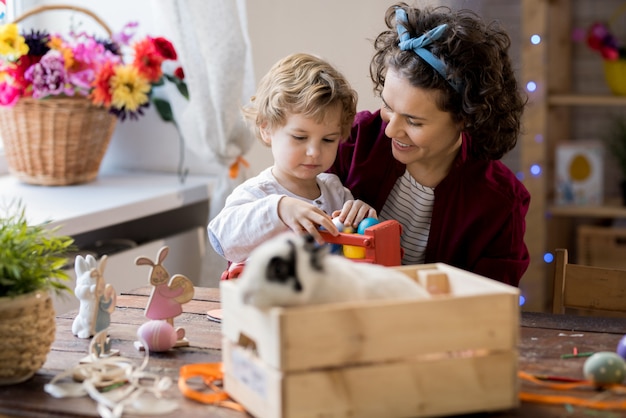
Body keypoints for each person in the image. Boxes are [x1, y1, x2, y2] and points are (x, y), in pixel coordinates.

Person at [329, 3, 530, 287]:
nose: (391, 131)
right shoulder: (351, 140)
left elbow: (489, 303)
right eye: (387, 106)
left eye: (414, 121)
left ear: (464, 118)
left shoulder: (499, 202)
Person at [209, 53, 376, 264]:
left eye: (328, 140)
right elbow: (221, 238)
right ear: (266, 129)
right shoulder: (257, 194)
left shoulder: (336, 192)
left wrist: (363, 220)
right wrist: (279, 209)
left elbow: (354, 251)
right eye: (300, 137)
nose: (314, 151)